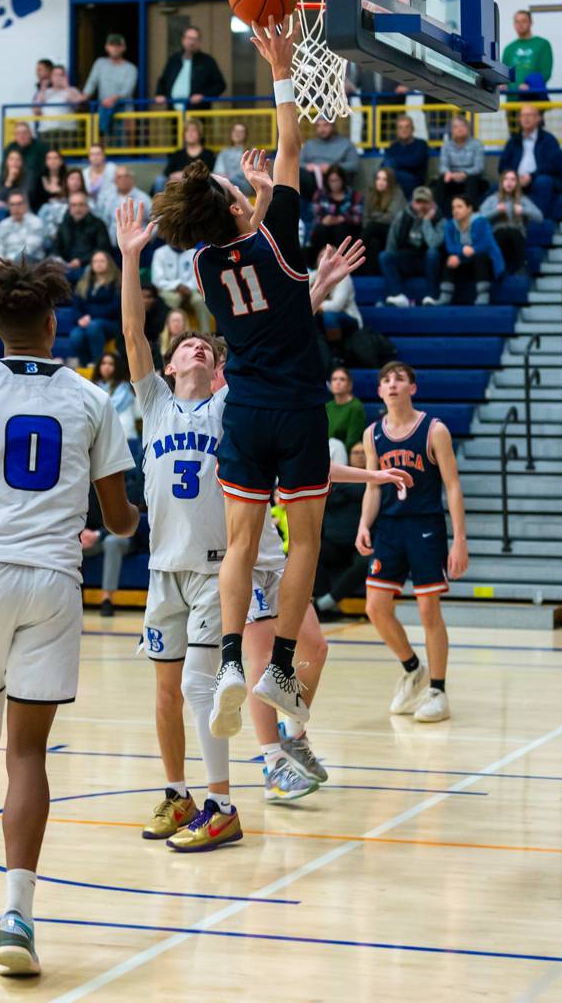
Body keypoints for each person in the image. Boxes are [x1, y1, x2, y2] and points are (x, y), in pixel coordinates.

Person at [118, 201, 402, 823]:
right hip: (181, 564)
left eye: (204, 346)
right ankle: (231, 772)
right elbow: (135, 334)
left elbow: (277, 349)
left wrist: (318, 287)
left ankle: (281, 747)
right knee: (198, 679)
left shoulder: (234, 411)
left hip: (237, 553)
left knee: (301, 652)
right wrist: (131, 257)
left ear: (221, 368)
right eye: (186, 345)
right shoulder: (156, 406)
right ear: (169, 366)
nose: (195, 348)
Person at [0, 257, 137, 976]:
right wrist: (141, 517)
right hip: (53, 579)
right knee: (28, 753)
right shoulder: (90, 398)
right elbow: (115, 518)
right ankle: (19, 918)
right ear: (52, 325)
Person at [152, 17, 364, 733]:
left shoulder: (207, 266)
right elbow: (294, 141)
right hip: (298, 407)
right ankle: (276, 669)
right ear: (239, 207)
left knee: (240, 545)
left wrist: (254, 197)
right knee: (301, 542)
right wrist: (280, 67)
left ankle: (234, 662)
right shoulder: (280, 243)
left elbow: (253, 237)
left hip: (242, 413)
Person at [356, 361, 468, 722]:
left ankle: (438, 689)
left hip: (424, 525)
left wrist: (459, 539)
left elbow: (452, 485)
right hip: (387, 527)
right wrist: (364, 523)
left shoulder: (434, 430)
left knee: (427, 609)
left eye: (399, 379)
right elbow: (374, 483)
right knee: (375, 607)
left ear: (412, 388)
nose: (391, 384)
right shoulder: (373, 433)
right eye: (385, 380)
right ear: (379, 391)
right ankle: (412, 667)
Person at [313, 440, 369, 617]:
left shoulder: (374, 480)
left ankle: (324, 603)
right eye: (356, 452)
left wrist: (341, 490)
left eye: (363, 452)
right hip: (333, 544)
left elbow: (361, 492)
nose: (360, 456)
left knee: (367, 562)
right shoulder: (334, 479)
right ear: (348, 456)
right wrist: (346, 490)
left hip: (359, 545)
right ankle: (325, 607)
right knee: (311, 553)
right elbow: (326, 498)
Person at [432, 195, 504, 306]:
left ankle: (483, 295)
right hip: (464, 263)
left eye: (459, 207)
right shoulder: (449, 225)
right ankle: (445, 296)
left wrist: (473, 249)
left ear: (469, 208)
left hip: (485, 263)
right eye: (453, 207)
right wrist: (462, 250)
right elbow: (450, 247)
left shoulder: (481, 222)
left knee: (480, 256)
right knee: (450, 258)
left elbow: (487, 244)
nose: (455, 210)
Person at [380, 186, 445, 308]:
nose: (421, 206)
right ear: (412, 202)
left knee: (432, 253)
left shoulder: (440, 219)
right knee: (385, 256)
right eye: (418, 202)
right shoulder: (402, 216)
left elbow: (434, 243)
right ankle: (398, 295)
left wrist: (426, 221)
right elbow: (392, 241)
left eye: (425, 202)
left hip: (427, 261)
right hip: (406, 258)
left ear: (432, 203)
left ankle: (431, 295)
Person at [497, 104, 562, 218]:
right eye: (522, 115)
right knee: (497, 187)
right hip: (516, 179)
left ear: (539, 118)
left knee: (543, 182)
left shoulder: (549, 140)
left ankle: (539, 222)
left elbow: (554, 166)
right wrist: (514, 177)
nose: (526, 118)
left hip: (539, 178)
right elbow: (502, 165)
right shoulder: (513, 141)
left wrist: (531, 176)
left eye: (530, 115)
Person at [80, 484, 133, 618]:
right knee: (71, 542)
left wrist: (98, 534)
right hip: (89, 537)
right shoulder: (80, 486)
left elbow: (124, 521)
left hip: (119, 535)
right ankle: (72, 597)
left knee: (111, 543)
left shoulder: (119, 483)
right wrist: (80, 533)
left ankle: (107, 599)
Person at [479, 170, 543, 274]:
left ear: (517, 183)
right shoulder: (492, 199)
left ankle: (521, 268)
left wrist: (523, 210)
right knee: (502, 232)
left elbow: (539, 217)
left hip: (516, 236)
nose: (509, 182)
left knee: (512, 231)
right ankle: (496, 269)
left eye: (513, 180)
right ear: (501, 182)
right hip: (498, 235)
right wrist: (496, 211)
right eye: (506, 179)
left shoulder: (522, 199)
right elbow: (479, 219)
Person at [154, 25, 226, 109]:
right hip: (173, 112)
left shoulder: (207, 61)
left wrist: (203, 96)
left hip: (197, 111)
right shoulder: (174, 60)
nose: (191, 42)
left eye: (195, 39)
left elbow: (220, 85)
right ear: (183, 40)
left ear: (199, 42)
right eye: (189, 38)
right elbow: (163, 81)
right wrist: (160, 94)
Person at [70, 250, 122, 368]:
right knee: (75, 335)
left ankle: (98, 364)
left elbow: (115, 308)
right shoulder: (84, 282)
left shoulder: (117, 282)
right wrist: (80, 319)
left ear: (109, 263)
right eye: (95, 261)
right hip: (89, 323)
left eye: (102, 261)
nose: (98, 264)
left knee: (94, 326)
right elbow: (77, 305)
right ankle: (85, 365)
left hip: (111, 323)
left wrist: (91, 317)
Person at [81, 34, 138, 137]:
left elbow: (127, 90)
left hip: (125, 111)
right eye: (112, 45)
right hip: (104, 111)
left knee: (126, 144)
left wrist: (113, 99)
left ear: (123, 48)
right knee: (102, 140)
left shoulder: (131, 68)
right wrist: (82, 97)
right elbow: (92, 83)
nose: (115, 48)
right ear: (106, 47)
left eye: (118, 45)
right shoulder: (100, 63)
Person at [151, 241, 211, 334]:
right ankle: (166, 335)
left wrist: (188, 288)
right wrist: (177, 286)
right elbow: (157, 280)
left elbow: (197, 277)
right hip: (168, 290)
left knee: (199, 301)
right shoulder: (160, 253)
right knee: (174, 299)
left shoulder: (193, 252)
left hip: (190, 290)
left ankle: (207, 335)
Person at [309, 164, 364, 261]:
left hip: (347, 228)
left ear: (343, 180)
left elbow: (357, 218)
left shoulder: (354, 195)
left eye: (337, 180)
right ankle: (320, 263)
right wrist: (324, 220)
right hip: (326, 227)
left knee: (340, 230)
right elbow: (315, 215)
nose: (334, 183)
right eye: (331, 180)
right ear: (327, 181)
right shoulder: (320, 194)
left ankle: (341, 262)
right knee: (320, 230)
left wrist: (342, 219)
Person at [52, 192, 111, 281]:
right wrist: (59, 259)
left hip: (89, 265)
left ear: (87, 206)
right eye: (74, 205)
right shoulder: (64, 225)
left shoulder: (98, 225)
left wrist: (80, 261)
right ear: (69, 208)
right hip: (66, 265)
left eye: (81, 204)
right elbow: (56, 246)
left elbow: (103, 249)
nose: (77, 208)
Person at [434, 115, 486, 215]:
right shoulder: (446, 146)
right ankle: (438, 215)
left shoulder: (477, 144)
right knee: (441, 180)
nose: (459, 129)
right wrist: (450, 174)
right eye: (455, 127)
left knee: (472, 180)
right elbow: (443, 166)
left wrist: (464, 174)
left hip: (471, 178)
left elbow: (479, 167)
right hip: (452, 178)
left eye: (462, 126)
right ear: (451, 130)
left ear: (468, 128)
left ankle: (472, 214)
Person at [300, 118, 360, 201]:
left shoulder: (346, 144)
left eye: (325, 125)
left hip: (334, 176)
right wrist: (307, 166)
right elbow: (297, 163)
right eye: (318, 126)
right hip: (311, 178)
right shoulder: (309, 144)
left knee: (335, 176)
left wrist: (332, 167)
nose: (322, 129)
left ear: (333, 126)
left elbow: (354, 165)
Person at [155, 119, 216, 195]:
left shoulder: (208, 154)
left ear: (199, 133)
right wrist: (174, 176)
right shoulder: (177, 154)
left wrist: (186, 175)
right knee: (159, 180)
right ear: (184, 135)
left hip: (201, 189)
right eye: (187, 131)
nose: (190, 133)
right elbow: (167, 174)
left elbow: (212, 176)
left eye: (193, 130)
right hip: (178, 188)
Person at [362, 166, 404, 272]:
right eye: (378, 179)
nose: (380, 182)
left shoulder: (397, 193)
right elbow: (365, 218)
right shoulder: (370, 194)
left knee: (372, 226)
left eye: (384, 179)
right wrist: (378, 217)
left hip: (392, 231)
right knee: (373, 242)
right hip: (375, 231)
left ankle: (351, 255)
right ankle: (371, 272)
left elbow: (392, 217)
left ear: (390, 182)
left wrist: (374, 217)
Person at [502, 10, 553, 93]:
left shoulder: (542, 44)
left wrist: (530, 85)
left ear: (531, 23)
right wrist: (503, 84)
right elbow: (504, 75)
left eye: (524, 21)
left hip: (533, 98)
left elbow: (546, 73)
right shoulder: (509, 49)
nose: (520, 24)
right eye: (517, 22)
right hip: (512, 100)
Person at [0, 122, 49, 209]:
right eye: (18, 133)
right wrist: (10, 178)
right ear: (15, 135)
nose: (21, 136)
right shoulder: (10, 148)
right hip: (14, 182)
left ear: (30, 133)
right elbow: (3, 168)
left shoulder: (41, 147)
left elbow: (45, 168)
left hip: (37, 184)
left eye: (24, 133)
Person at [91, 350, 136, 442]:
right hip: (102, 439)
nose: (106, 367)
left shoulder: (124, 387)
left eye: (111, 364)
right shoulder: (93, 386)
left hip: (126, 438)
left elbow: (110, 408)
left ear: (117, 367)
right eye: (103, 363)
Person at [382, 114, 429, 198]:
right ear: (397, 131)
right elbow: (383, 166)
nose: (404, 130)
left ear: (412, 129)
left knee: (389, 167)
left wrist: (394, 162)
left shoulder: (421, 144)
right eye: (400, 127)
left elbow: (415, 161)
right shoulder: (393, 146)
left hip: (414, 182)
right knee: (382, 172)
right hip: (394, 180)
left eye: (407, 127)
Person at [32, 65, 82, 145]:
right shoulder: (44, 92)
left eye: (61, 75)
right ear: (51, 77)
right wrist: (42, 90)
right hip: (46, 132)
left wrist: (66, 87)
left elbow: (76, 106)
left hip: (67, 131)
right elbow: (36, 111)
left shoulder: (73, 90)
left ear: (65, 77)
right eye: (55, 75)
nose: (58, 78)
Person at [100, 165, 151, 240]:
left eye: (126, 176)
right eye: (119, 177)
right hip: (113, 244)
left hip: (138, 244)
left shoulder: (143, 198)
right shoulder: (108, 198)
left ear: (132, 179)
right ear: (115, 181)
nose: (123, 179)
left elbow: (156, 220)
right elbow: (104, 221)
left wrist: (147, 237)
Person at [0, 192, 45, 264]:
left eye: (19, 204)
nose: (15, 208)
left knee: (19, 259)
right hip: (6, 261)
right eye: (12, 205)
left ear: (26, 205)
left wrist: (8, 259)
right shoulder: (4, 224)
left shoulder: (35, 222)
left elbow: (30, 248)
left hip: (30, 261)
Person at [326, 366, 366, 454]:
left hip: (344, 451)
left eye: (342, 379)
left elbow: (352, 439)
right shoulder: (327, 406)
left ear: (349, 384)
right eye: (334, 379)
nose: (337, 382)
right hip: (327, 449)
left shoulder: (356, 407)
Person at [213, 121, 252, 194]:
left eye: (241, 131)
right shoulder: (224, 152)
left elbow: (251, 174)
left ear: (246, 135)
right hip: (226, 185)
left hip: (244, 186)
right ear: (231, 134)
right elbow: (218, 172)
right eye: (235, 131)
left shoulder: (251, 152)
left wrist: (229, 179)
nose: (237, 133)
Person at [83, 142, 117, 215]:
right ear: (89, 157)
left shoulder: (112, 169)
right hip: (90, 212)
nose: (95, 157)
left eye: (98, 154)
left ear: (104, 156)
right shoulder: (84, 173)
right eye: (92, 154)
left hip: (111, 210)